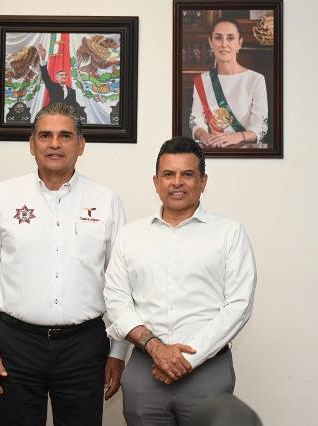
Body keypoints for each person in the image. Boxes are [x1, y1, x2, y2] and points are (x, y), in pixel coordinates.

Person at [0, 102, 128, 426]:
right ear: (32, 144)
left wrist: (118, 352)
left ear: (81, 145)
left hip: (84, 347)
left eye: (65, 136)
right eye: (45, 135)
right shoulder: (4, 196)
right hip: (15, 346)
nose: (55, 144)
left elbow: (122, 284)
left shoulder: (106, 201)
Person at [104, 136, 257, 425]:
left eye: (187, 174)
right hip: (145, 368)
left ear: (203, 181)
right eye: (168, 174)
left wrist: (187, 359)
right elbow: (116, 299)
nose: (177, 182)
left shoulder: (229, 233)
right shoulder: (130, 235)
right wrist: (156, 348)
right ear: (156, 181)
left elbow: (239, 305)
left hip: (207, 368)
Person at [189, 17, 269, 148]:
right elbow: (195, 120)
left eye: (230, 38)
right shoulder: (202, 80)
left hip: (246, 152)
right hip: (213, 149)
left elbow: (260, 127)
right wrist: (204, 136)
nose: (224, 44)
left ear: (240, 43)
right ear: (210, 42)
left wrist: (237, 137)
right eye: (218, 38)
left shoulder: (256, 79)